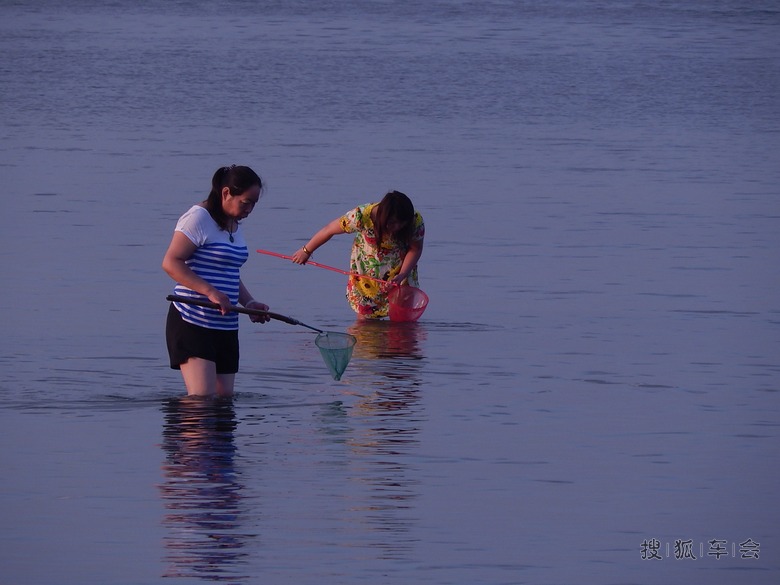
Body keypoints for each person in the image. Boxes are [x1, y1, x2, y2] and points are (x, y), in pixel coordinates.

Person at [163, 165, 270, 398]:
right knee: (202, 399)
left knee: (223, 402)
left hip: (226, 324)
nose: (250, 209)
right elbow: (171, 262)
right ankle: (181, 434)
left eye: (254, 203)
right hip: (193, 319)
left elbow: (228, 272)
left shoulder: (234, 224)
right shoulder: (198, 217)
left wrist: (249, 303)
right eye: (245, 202)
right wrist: (210, 292)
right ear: (225, 193)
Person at [291, 190, 425, 319]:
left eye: (402, 224)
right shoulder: (362, 216)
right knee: (365, 322)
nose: (397, 227)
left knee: (402, 324)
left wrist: (401, 275)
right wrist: (306, 251)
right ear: (383, 216)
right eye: (392, 223)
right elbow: (329, 230)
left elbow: (415, 249)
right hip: (367, 273)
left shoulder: (414, 220)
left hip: (401, 270)